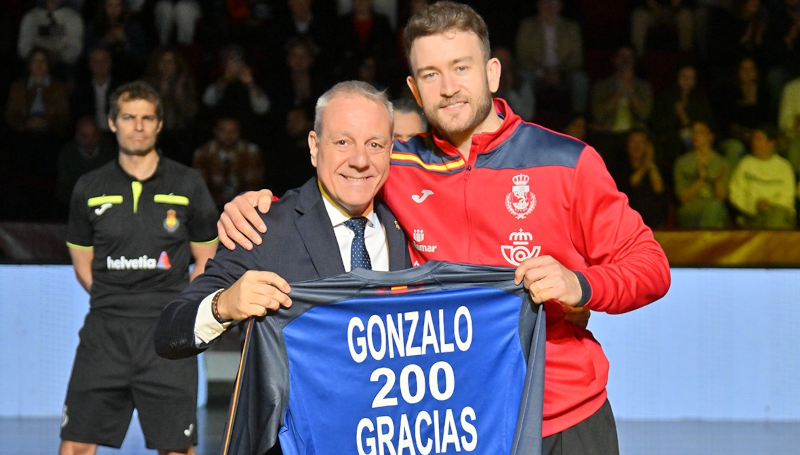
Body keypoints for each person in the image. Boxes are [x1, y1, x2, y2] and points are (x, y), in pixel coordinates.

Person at [216, 3, 672, 454]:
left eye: (461, 67)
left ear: (492, 73)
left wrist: (580, 284)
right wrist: (258, 206)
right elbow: (334, 184)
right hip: (452, 423)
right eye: (431, 74)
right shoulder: (396, 164)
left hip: (564, 417)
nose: (449, 88)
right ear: (415, 90)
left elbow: (651, 266)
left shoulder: (567, 162)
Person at [154, 82, 411, 454]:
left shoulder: (409, 227)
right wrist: (224, 305)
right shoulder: (263, 228)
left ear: (390, 150)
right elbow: (169, 331)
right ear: (314, 146)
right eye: (342, 142)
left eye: (375, 144)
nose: (360, 160)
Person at [60, 80, 219, 455]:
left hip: (168, 336)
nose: (138, 126)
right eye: (129, 117)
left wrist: (180, 307)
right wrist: (113, 297)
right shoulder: (89, 186)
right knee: (76, 446)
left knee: (176, 449)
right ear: (112, 123)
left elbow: (207, 258)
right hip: (105, 334)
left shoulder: (188, 183)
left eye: (147, 118)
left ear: (159, 124)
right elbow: (81, 261)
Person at [515, 0, 589, 114]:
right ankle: (525, 117)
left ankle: (577, 118)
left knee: (580, 80)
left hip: (564, 73)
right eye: (545, 3)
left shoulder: (571, 27)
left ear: (560, 6)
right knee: (523, 79)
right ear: (538, 5)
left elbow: (576, 58)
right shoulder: (528, 26)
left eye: (554, 4)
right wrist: (541, 73)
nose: (549, 7)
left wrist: (559, 73)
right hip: (536, 72)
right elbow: (523, 56)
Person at [728, 124, 797, 228]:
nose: (754, 142)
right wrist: (754, 205)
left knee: (776, 219)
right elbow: (735, 193)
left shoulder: (784, 167)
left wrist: (768, 206)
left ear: (771, 143)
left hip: (778, 215)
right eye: (753, 139)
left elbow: (787, 197)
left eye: (759, 139)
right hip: (750, 216)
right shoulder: (745, 164)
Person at [192, 117, 264, 211]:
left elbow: (254, 185)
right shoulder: (203, 153)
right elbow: (200, 187)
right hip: (212, 207)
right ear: (215, 131)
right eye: (223, 131)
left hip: (245, 206)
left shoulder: (250, 152)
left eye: (233, 131)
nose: (228, 135)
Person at [54, 116, 116, 219]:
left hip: (105, 209)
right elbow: (63, 189)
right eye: (84, 136)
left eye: (94, 135)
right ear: (77, 136)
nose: (90, 141)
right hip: (74, 209)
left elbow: (114, 185)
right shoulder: (67, 154)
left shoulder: (109, 153)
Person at [673, 120, 731, 228]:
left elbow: (722, 198)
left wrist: (717, 181)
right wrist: (700, 181)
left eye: (700, 132)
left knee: (715, 208)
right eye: (693, 132)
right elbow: (682, 198)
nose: (695, 135)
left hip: (715, 208)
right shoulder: (682, 162)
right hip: (691, 209)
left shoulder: (721, 163)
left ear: (710, 136)